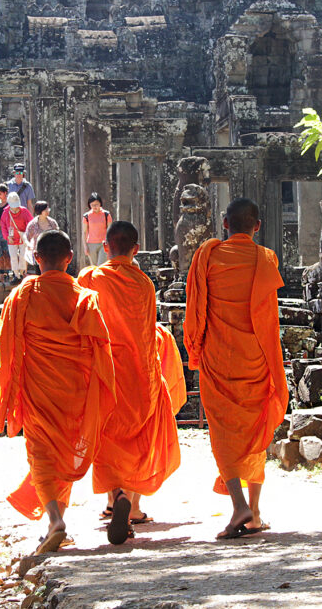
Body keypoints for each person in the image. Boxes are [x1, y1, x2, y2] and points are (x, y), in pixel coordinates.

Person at [0, 230, 116, 554]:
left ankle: (56, 519)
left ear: (35, 258)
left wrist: (10, 389)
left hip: (39, 387)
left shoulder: (22, 296)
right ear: (70, 258)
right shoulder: (85, 297)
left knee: (42, 453)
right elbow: (99, 348)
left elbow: (8, 348)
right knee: (65, 450)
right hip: (75, 388)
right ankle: (54, 521)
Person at [184, 198, 287, 540]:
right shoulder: (266, 259)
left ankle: (239, 503)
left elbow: (196, 307)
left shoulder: (208, 256)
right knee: (256, 426)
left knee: (224, 430)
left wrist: (194, 346)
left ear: (224, 224)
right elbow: (269, 319)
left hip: (218, 355)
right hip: (256, 356)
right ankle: (254, 512)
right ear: (257, 226)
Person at [77, 221, 182, 545]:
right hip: (140, 373)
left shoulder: (90, 279)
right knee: (139, 435)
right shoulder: (144, 283)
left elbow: (79, 327)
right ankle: (133, 505)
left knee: (107, 435)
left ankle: (114, 498)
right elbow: (148, 331)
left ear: (105, 247)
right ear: (136, 250)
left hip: (105, 372)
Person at [0, 192, 33, 281]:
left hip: (23, 238)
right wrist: (7, 236)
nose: (15, 209)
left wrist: (28, 235)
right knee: (13, 256)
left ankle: (22, 273)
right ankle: (15, 274)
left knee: (23, 256)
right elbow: (3, 225)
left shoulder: (24, 211)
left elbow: (31, 224)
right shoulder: (6, 212)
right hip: (11, 238)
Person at [25, 201, 60, 276]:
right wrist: (28, 245)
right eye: (45, 210)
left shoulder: (52, 223)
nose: (48, 211)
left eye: (48, 209)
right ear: (40, 211)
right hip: (39, 253)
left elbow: (58, 235)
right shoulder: (32, 224)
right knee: (40, 274)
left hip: (52, 252)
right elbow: (26, 237)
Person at [81, 193, 112, 266]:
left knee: (101, 265)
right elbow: (84, 232)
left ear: (100, 204)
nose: (95, 207)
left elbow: (110, 230)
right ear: (89, 205)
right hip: (91, 244)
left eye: (96, 204)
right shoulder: (86, 216)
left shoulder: (106, 214)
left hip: (103, 243)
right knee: (94, 266)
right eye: (92, 205)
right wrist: (85, 246)